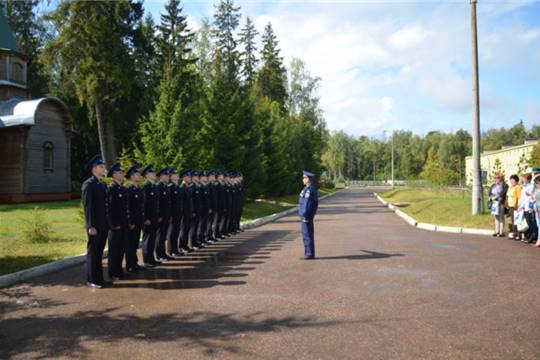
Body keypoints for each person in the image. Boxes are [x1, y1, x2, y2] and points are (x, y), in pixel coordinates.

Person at [81, 155, 109, 288]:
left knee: (99, 253)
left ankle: (99, 279)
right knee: (93, 253)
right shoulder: (88, 185)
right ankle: (92, 279)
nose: (104, 168)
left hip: (103, 224)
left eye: (104, 166)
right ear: (94, 169)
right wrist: (90, 225)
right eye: (101, 166)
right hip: (95, 225)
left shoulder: (102, 184)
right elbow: (88, 207)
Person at [106, 163, 129, 281]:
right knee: (114, 250)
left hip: (124, 224)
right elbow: (109, 209)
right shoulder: (111, 189)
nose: (122, 174)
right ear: (114, 175)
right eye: (120, 173)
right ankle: (113, 272)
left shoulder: (123, 189)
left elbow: (126, 208)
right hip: (115, 226)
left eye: (122, 172)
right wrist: (112, 225)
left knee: (121, 249)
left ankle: (119, 270)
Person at [126, 165, 145, 273]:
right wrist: (130, 221)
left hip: (138, 221)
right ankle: (130, 265)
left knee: (135, 243)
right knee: (130, 244)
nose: (139, 176)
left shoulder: (139, 189)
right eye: (137, 174)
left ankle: (135, 263)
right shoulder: (129, 189)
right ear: (132, 177)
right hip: (132, 222)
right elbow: (128, 207)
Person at [141, 165, 160, 267]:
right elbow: (143, 205)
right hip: (148, 218)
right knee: (147, 239)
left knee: (152, 238)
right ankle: (146, 260)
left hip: (154, 217)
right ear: (147, 175)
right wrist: (145, 218)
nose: (154, 174)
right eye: (152, 173)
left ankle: (151, 259)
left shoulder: (154, 187)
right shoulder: (145, 187)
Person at [299, 171, 319, 259]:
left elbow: (308, 204)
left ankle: (309, 254)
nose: (303, 179)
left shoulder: (310, 190)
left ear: (308, 179)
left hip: (306, 216)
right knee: (305, 235)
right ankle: (308, 252)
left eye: (304, 178)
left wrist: (306, 216)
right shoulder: (306, 189)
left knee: (307, 235)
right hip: (304, 216)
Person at [156, 167, 173, 261]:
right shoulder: (159, 187)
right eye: (167, 175)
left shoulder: (165, 187)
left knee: (163, 236)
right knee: (160, 236)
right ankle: (159, 254)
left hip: (166, 215)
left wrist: (169, 215)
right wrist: (159, 215)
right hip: (161, 216)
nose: (168, 177)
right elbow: (158, 203)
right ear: (162, 176)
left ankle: (163, 253)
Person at [168, 168, 183, 257]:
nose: (177, 176)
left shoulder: (178, 187)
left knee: (176, 232)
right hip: (173, 214)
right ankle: (171, 251)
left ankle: (175, 249)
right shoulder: (170, 187)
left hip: (178, 213)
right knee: (172, 233)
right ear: (171, 177)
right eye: (175, 174)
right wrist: (170, 215)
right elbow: (169, 203)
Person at [518, 173, 537, 243]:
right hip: (525, 206)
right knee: (527, 222)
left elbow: (529, 198)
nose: (523, 180)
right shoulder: (524, 187)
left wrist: (530, 207)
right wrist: (521, 206)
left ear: (528, 179)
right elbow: (523, 198)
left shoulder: (531, 186)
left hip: (529, 207)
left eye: (524, 179)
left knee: (531, 223)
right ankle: (528, 235)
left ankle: (532, 236)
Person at [179, 170, 194, 254]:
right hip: (184, 213)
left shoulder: (188, 187)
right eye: (188, 177)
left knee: (187, 230)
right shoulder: (182, 187)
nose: (190, 178)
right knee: (183, 230)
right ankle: (181, 246)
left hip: (188, 212)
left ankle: (185, 245)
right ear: (184, 178)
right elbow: (181, 202)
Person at [506, 174, 522, 240]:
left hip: (515, 206)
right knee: (512, 220)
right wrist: (506, 203)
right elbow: (507, 196)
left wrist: (517, 205)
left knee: (516, 220)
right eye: (511, 180)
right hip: (510, 206)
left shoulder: (518, 187)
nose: (511, 182)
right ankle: (513, 233)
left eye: (513, 180)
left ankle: (518, 234)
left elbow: (519, 197)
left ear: (516, 181)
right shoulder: (510, 187)